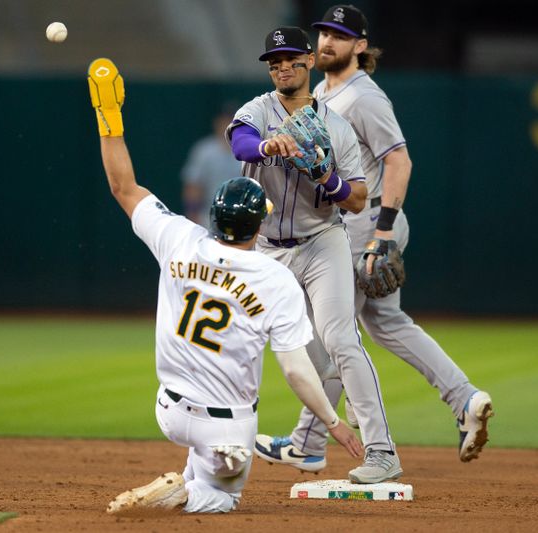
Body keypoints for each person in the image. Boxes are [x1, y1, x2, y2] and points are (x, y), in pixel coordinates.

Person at [87, 57, 363, 515]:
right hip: (229, 428)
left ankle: (195, 470)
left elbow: (123, 186)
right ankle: (186, 491)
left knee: (202, 450)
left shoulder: (177, 238)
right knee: (221, 495)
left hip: (169, 412)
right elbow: (296, 372)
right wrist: (333, 423)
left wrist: (110, 122)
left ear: (215, 215)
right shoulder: (275, 278)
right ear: (259, 225)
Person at [255, 5, 494, 470]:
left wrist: (383, 230)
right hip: (354, 227)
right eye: (324, 33)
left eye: (339, 37)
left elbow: (398, 161)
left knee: (334, 334)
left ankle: (311, 443)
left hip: (365, 227)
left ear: (360, 47)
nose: (327, 42)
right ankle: (464, 398)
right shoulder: (322, 90)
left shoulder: (364, 97)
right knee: (384, 325)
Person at [226, 27, 402, 484]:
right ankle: (304, 447)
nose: (282, 66)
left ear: (307, 60)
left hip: (323, 241)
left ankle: (382, 452)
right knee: (313, 362)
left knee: (342, 340)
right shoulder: (257, 110)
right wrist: (269, 144)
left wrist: (327, 178)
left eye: (289, 58)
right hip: (268, 252)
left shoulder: (338, 127)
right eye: (273, 61)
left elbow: (359, 199)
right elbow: (241, 143)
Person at [181, 103, 243, 224]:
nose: (228, 124)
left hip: (244, 217)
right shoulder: (204, 150)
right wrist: (192, 216)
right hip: (210, 217)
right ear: (217, 122)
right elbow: (193, 186)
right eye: (224, 120)